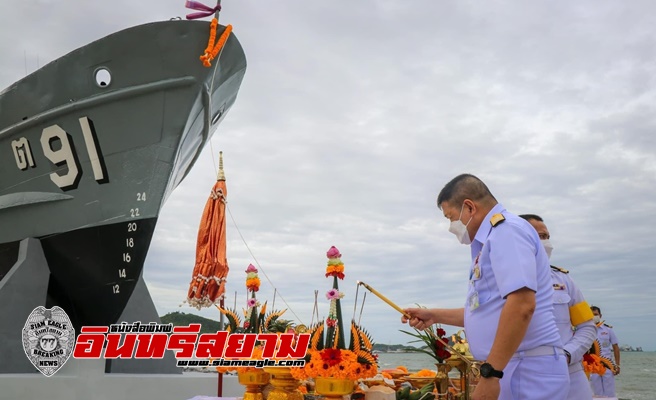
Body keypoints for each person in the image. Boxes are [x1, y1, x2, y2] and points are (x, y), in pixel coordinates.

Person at [402, 174, 568, 400]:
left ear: (469, 207)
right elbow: (487, 311)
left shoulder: (506, 231)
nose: (451, 226)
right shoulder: (489, 240)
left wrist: (491, 374)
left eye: (451, 217)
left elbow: (522, 306)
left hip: (525, 369)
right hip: (513, 365)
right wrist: (433, 315)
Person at [519, 214, 596, 400]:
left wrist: (568, 355)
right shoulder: (503, 281)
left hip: (570, 374)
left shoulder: (564, 280)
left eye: (546, 236)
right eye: (539, 236)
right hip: (525, 374)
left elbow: (587, 326)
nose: (545, 242)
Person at [590, 305, 620, 397]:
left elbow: (615, 347)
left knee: (609, 393)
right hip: (592, 366)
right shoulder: (586, 330)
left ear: (600, 315)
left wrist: (617, 365)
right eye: (592, 314)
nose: (594, 316)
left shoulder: (608, 330)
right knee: (596, 394)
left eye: (596, 314)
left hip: (607, 365)